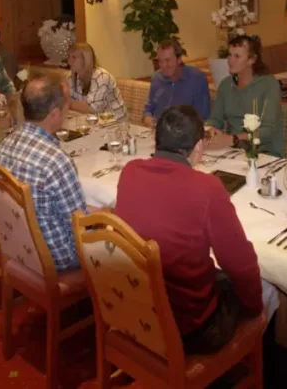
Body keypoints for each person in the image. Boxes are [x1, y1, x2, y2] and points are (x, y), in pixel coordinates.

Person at [115, 105, 276, 354]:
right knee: (266, 288)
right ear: (199, 146)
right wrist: (253, 310)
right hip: (188, 328)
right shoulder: (207, 188)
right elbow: (240, 264)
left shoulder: (130, 172)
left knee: (220, 277)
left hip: (134, 308)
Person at [0, 74, 87, 271]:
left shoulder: (5, 144)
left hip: (16, 244)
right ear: (54, 114)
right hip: (56, 259)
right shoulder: (56, 162)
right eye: (66, 108)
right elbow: (80, 225)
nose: (67, 112)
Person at [205, 35, 284, 157]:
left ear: (251, 60)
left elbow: (268, 131)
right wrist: (210, 130)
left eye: (237, 56)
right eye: (230, 55)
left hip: (265, 153)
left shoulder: (269, 84)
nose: (231, 60)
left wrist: (234, 139)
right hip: (234, 152)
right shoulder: (226, 85)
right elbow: (215, 119)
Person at [141, 38, 211, 127]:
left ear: (179, 59)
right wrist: (148, 119)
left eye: (167, 60)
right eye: (160, 61)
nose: (163, 65)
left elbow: (203, 117)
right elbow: (148, 109)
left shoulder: (197, 79)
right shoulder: (156, 78)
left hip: (184, 134)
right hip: (157, 132)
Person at [66, 42, 126, 120]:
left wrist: (66, 103)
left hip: (115, 123)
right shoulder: (72, 76)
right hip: (91, 121)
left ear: (86, 60)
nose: (69, 62)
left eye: (74, 57)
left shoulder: (101, 77)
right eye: (69, 57)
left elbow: (92, 109)